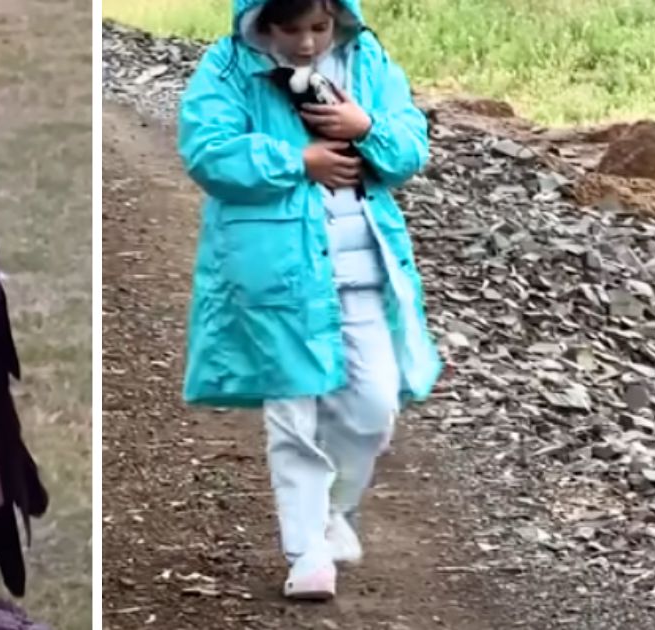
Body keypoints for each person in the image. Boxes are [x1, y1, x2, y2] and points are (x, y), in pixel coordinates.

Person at [176, 0, 443, 600]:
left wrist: (364, 128)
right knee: (294, 415)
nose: (305, 44)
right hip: (275, 277)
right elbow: (207, 152)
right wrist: (299, 160)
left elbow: (410, 146)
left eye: (318, 28)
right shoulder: (227, 69)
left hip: (362, 266)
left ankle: (334, 510)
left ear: (337, 18)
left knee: (374, 406)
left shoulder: (365, 60)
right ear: (261, 23)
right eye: (289, 30)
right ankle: (306, 554)